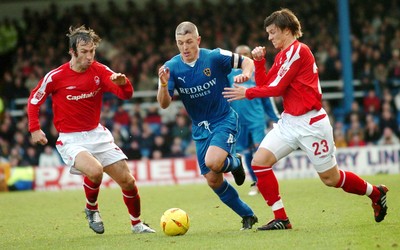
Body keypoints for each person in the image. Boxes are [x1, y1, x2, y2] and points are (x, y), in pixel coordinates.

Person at [223, 9, 388, 230]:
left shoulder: (299, 51)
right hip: (290, 122)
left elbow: (276, 88)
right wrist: (260, 63)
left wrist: (248, 93)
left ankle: (376, 193)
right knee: (259, 163)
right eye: (268, 33)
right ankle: (281, 218)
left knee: (331, 179)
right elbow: (265, 84)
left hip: (312, 124)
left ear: (287, 30)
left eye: (272, 32)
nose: (269, 37)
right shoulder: (283, 54)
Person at [27, 25, 155, 234]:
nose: (89, 57)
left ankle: (137, 224)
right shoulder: (56, 76)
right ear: (72, 52)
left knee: (128, 181)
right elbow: (34, 100)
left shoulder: (100, 70)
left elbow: (126, 95)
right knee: (95, 172)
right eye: (84, 52)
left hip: (97, 134)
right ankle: (91, 209)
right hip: (71, 139)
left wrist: (123, 84)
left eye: (92, 51)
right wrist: (34, 128)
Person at [157, 21, 258, 230]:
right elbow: (164, 103)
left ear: (198, 40)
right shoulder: (172, 67)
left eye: (189, 42)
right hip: (201, 128)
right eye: (180, 43)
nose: (185, 47)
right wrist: (164, 84)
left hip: (224, 119)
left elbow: (247, 61)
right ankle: (247, 214)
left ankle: (236, 163)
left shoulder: (214, 56)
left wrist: (246, 74)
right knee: (213, 180)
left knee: (213, 161)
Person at [227, 45, 280, 196]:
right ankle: (257, 182)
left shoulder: (257, 73)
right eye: (240, 55)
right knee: (246, 153)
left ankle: (263, 183)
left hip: (256, 119)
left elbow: (266, 96)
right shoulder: (229, 74)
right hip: (238, 120)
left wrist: (276, 117)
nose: (243, 57)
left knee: (259, 150)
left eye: (246, 54)